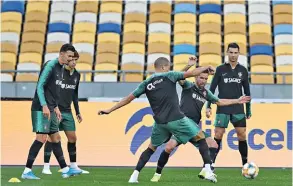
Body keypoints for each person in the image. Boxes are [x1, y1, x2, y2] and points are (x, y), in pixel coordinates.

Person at [98, 57, 218, 183]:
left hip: (160, 123)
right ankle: (207, 169)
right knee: (200, 136)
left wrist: (110, 110)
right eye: (168, 66)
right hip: (176, 119)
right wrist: (207, 67)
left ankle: (134, 175)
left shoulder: (146, 83)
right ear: (163, 67)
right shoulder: (169, 76)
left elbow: (128, 99)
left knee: (151, 148)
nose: (169, 68)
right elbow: (191, 74)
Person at [150, 58, 251, 182]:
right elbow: (179, 78)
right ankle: (157, 173)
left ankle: (207, 169)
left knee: (213, 144)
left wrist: (237, 100)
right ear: (195, 77)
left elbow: (219, 102)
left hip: (194, 128)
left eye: (205, 79)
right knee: (169, 147)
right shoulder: (188, 86)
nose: (203, 81)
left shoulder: (206, 93)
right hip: (182, 125)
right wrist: (188, 66)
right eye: (201, 78)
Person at [21, 44, 82, 179]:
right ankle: (26, 171)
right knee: (41, 138)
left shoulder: (61, 69)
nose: (71, 59)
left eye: (73, 56)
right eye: (69, 56)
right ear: (61, 54)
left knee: (56, 137)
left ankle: (66, 169)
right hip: (40, 107)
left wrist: (55, 107)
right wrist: (44, 105)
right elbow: (40, 86)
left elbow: (53, 91)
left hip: (51, 107)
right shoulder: (50, 65)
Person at [42, 51, 89, 175]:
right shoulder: (59, 72)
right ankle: (46, 166)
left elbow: (75, 94)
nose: (73, 62)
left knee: (73, 138)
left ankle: (73, 166)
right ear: (67, 60)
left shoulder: (77, 75)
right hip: (55, 110)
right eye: (71, 59)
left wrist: (77, 111)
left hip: (67, 111)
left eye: (75, 60)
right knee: (52, 139)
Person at [206, 42, 251, 168]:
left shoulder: (243, 70)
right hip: (223, 106)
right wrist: (208, 106)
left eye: (235, 53)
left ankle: (245, 164)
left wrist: (248, 110)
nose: (233, 55)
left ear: (239, 53)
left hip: (238, 108)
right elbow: (212, 89)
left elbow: (247, 92)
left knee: (242, 134)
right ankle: (210, 164)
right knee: (218, 134)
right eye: (230, 52)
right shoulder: (220, 69)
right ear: (227, 53)